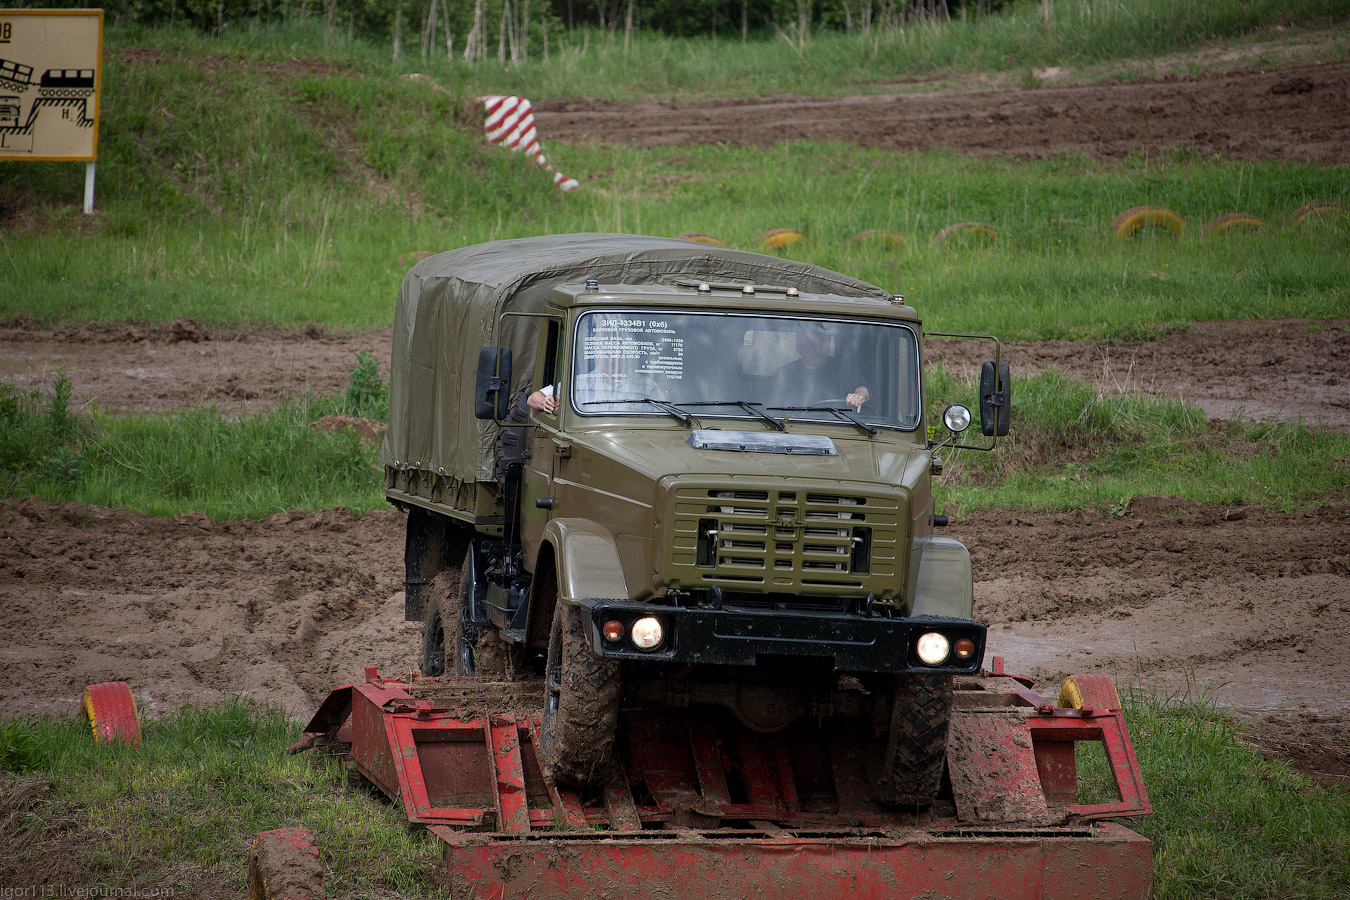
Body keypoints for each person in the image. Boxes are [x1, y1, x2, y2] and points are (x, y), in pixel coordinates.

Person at [774, 323, 869, 411]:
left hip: (838, 424)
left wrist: (858, 396)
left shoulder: (843, 368)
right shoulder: (784, 374)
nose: (818, 349)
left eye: (823, 343)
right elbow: (773, 409)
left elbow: (863, 390)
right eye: (812, 344)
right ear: (799, 346)